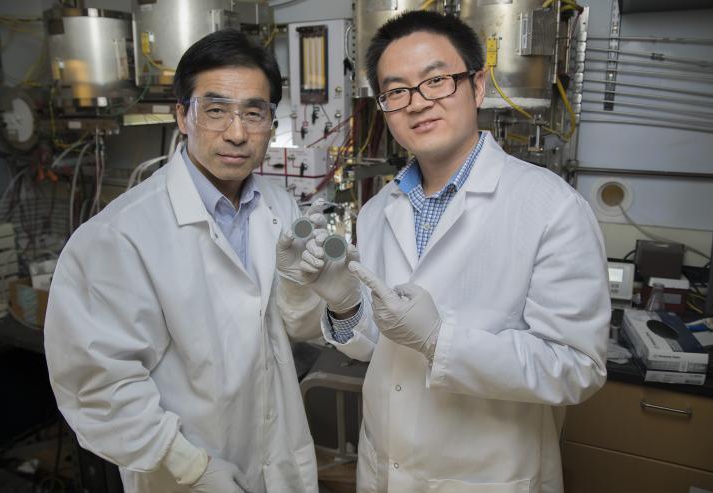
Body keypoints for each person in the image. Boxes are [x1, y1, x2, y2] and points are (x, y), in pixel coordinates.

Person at [298, 10, 610, 493]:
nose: (417, 103)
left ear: (477, 86)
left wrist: (441, 341)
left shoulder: (551, 207)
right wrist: (344, 307)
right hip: (384, 471)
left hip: (490, 477)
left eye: (437, 81)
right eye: (396, 90)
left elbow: (577, 368)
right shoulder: (380, 209)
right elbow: (381, 349)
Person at [44, 30, 324, 493]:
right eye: (215, 110)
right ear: (182, 116)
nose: (237, 132)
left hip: (280, 462)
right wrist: (190, 466)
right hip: (184, 473)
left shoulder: (281, 208)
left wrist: (324, 294)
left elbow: (293, 328)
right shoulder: (119, 236)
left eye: (254, 113)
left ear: (271, 121)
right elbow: (97, 385)